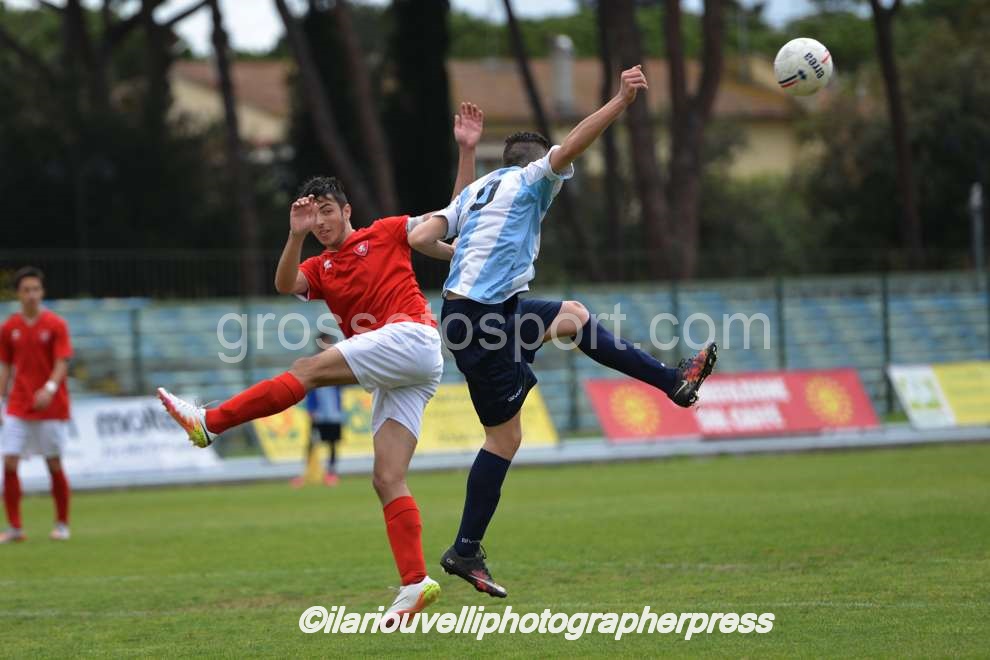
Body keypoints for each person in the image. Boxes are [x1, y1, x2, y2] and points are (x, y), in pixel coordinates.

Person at [157, 102, 485, 618]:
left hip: (412, 338)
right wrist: (294, 234)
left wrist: (466, 150)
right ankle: (414, 583)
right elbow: (284, 283)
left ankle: (209, 422)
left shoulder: (387, 231)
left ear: (347, 210)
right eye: (314, 216)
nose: (322, 221)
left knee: (308, 370)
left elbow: (452, 214)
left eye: (327, 210)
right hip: (405, 366)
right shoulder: (319, 265)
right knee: (386, 477)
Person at [408, 66, 717, 598]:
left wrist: (461, 240)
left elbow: (419, 238)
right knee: (504, 439)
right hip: (482, 322)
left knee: (572, 316)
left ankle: (674, 381)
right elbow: (572, 144)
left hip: (478, 314)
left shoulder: (479, 190)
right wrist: (620, 101)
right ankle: (464, 549)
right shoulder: (532, 180)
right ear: (539, 165)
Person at [0, 267, 73, 544]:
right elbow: (5, 366)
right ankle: (15, 528)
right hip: (18, 404)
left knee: (53, 462)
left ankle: (62, 524)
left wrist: (50, 389)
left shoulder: (56, 325)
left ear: (42, 292)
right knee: (9, 461)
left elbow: (62, 363)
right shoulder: (9, 328)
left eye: (36, 289)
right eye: (26, 290)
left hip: (50, 405)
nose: (31, 295)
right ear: (18, 294)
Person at [291, 333, 344, 488]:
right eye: (324, 342)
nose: (326, 345)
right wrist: (311, 408)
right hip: (319, 413)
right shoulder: (314, 362)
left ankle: (331, 473)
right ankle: (305, 473)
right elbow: (309, 388)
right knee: (312, 443)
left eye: (328, 342)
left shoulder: (337, 362)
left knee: (332, 443)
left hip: (333, 413)